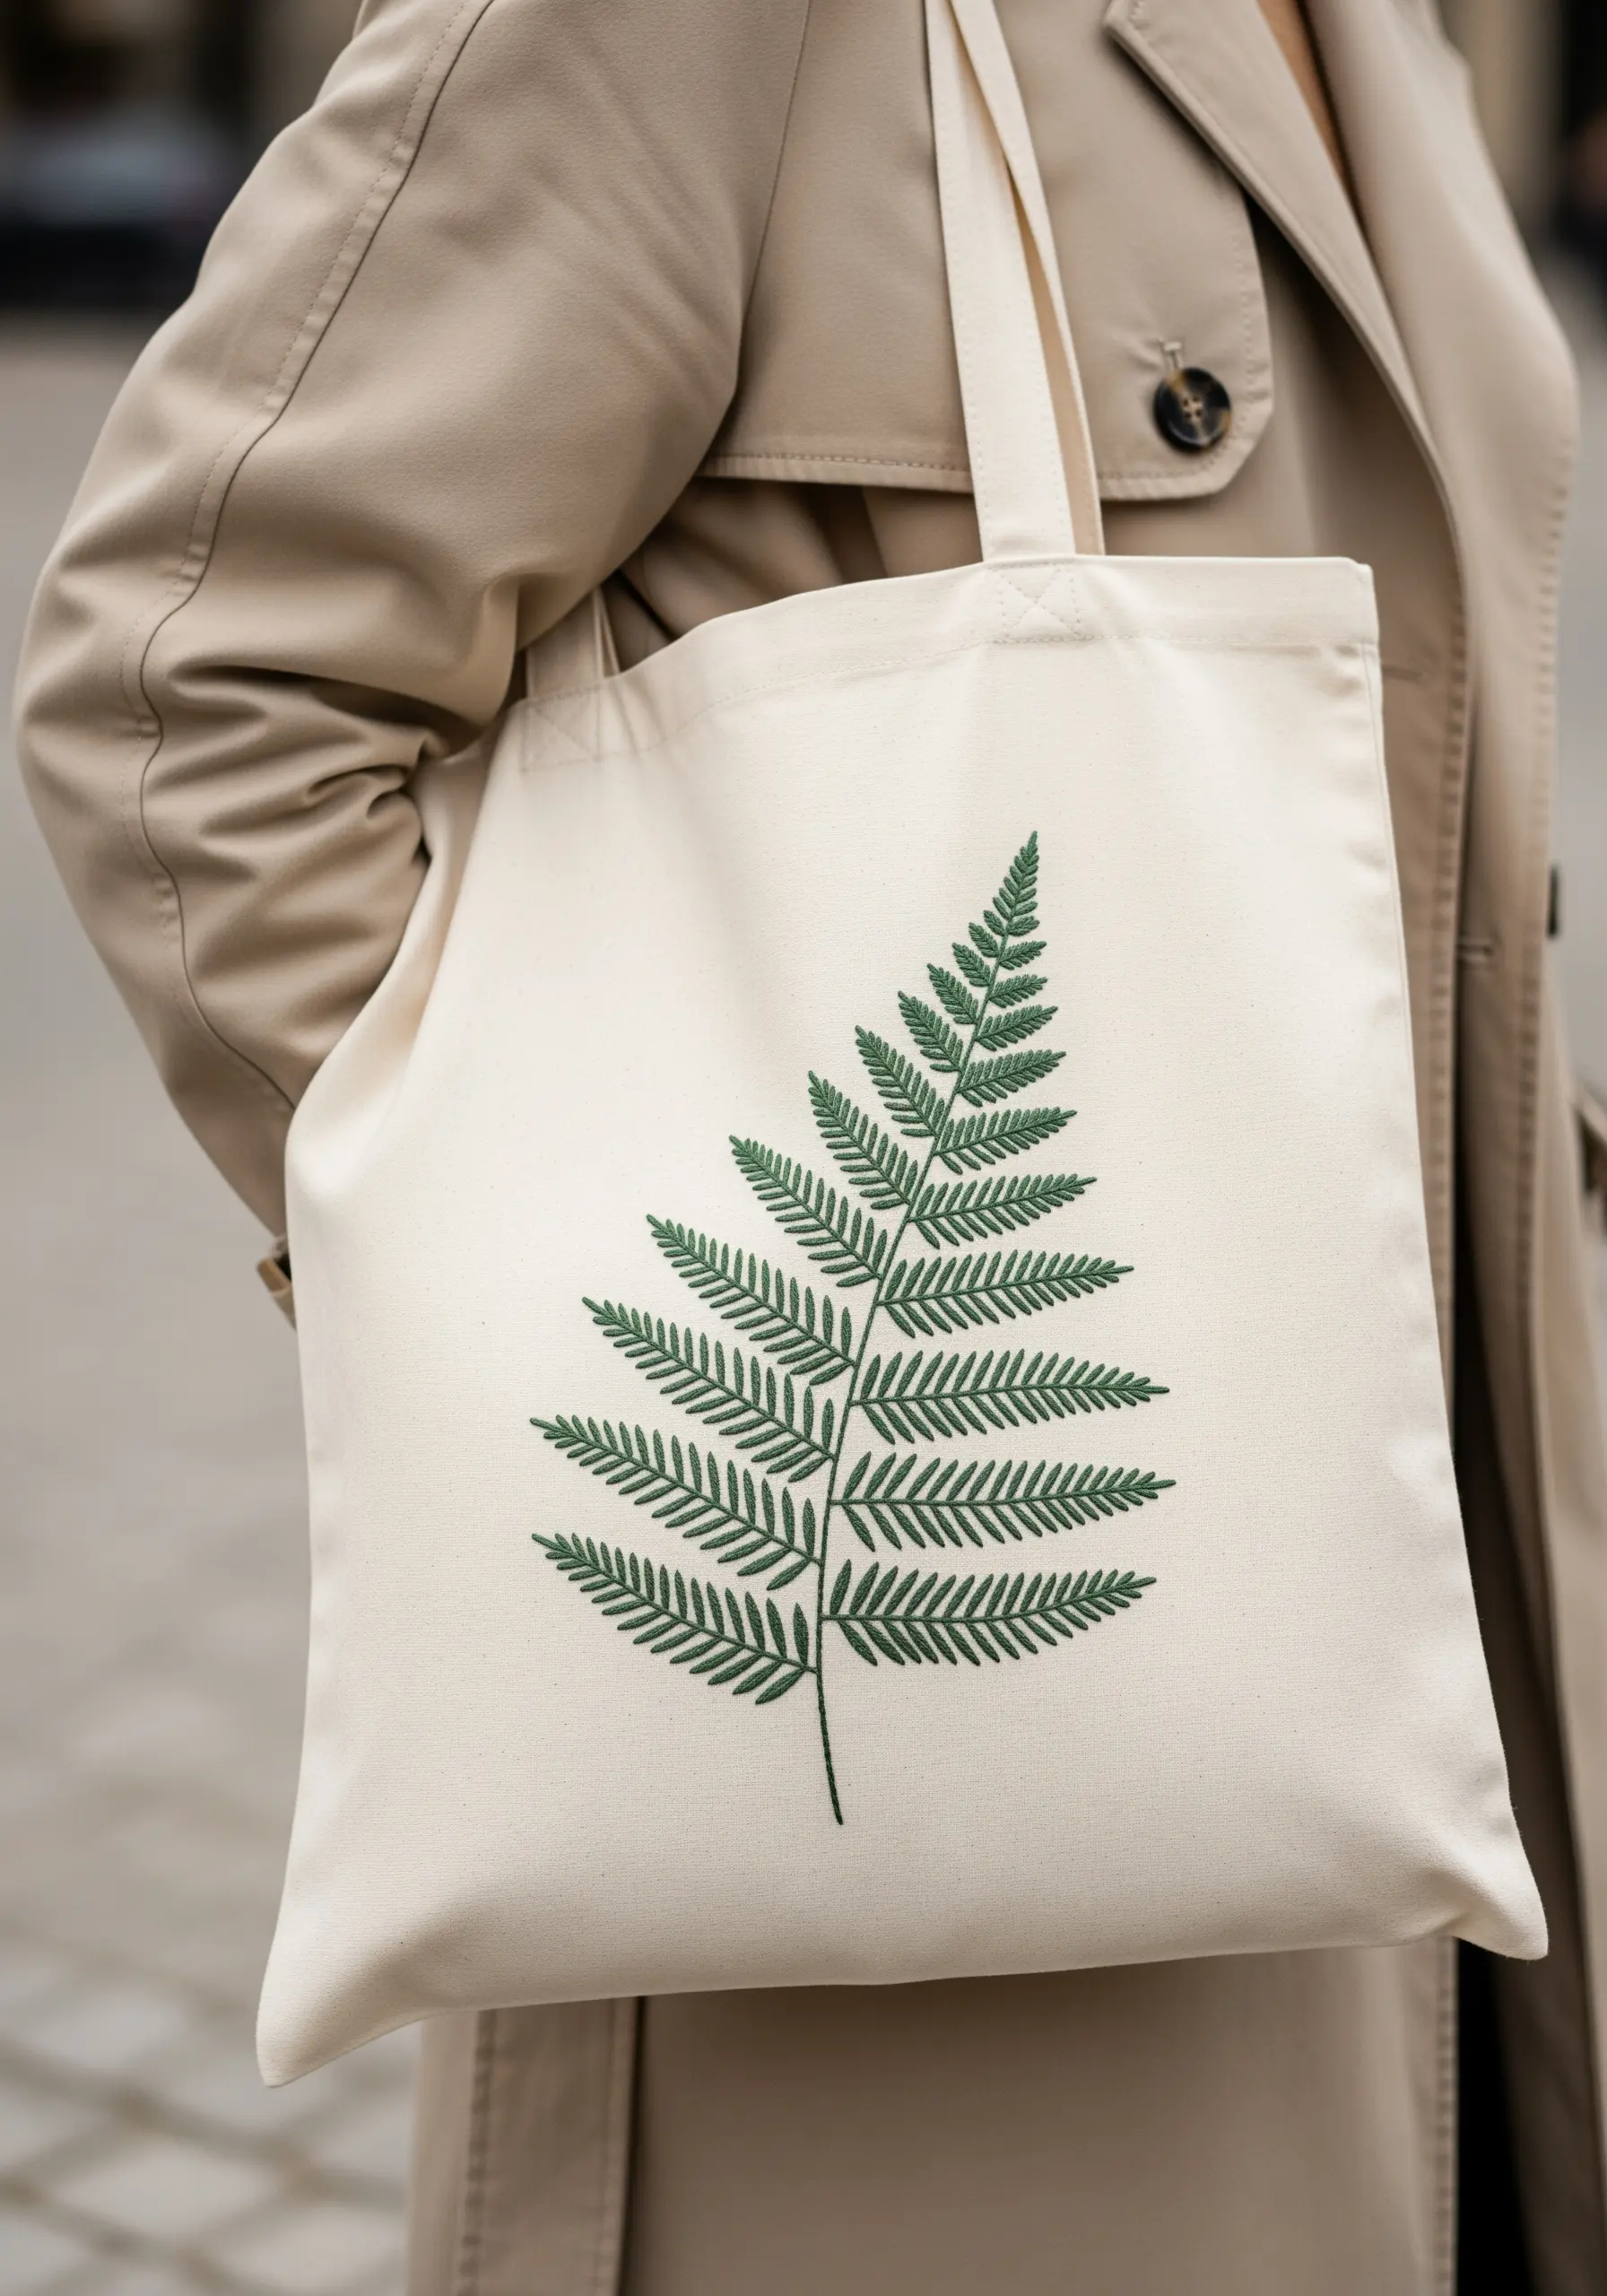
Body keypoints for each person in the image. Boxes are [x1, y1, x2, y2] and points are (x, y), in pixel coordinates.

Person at [13, 0, 1607, 2288]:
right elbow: (189, 692)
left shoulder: (1395, 28)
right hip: (908, 1849)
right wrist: (584, 1330)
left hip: (1436, 1632)